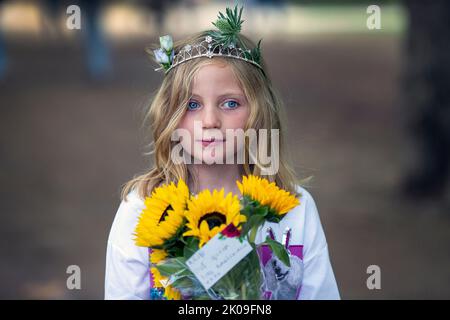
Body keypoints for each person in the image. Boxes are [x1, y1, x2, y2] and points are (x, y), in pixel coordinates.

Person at [105, 5, 339, 300]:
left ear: (259, 113)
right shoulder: (142, 210)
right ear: (169, 115)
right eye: (192, 105)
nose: (210, 121)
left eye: (230, 103)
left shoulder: (295, 209)